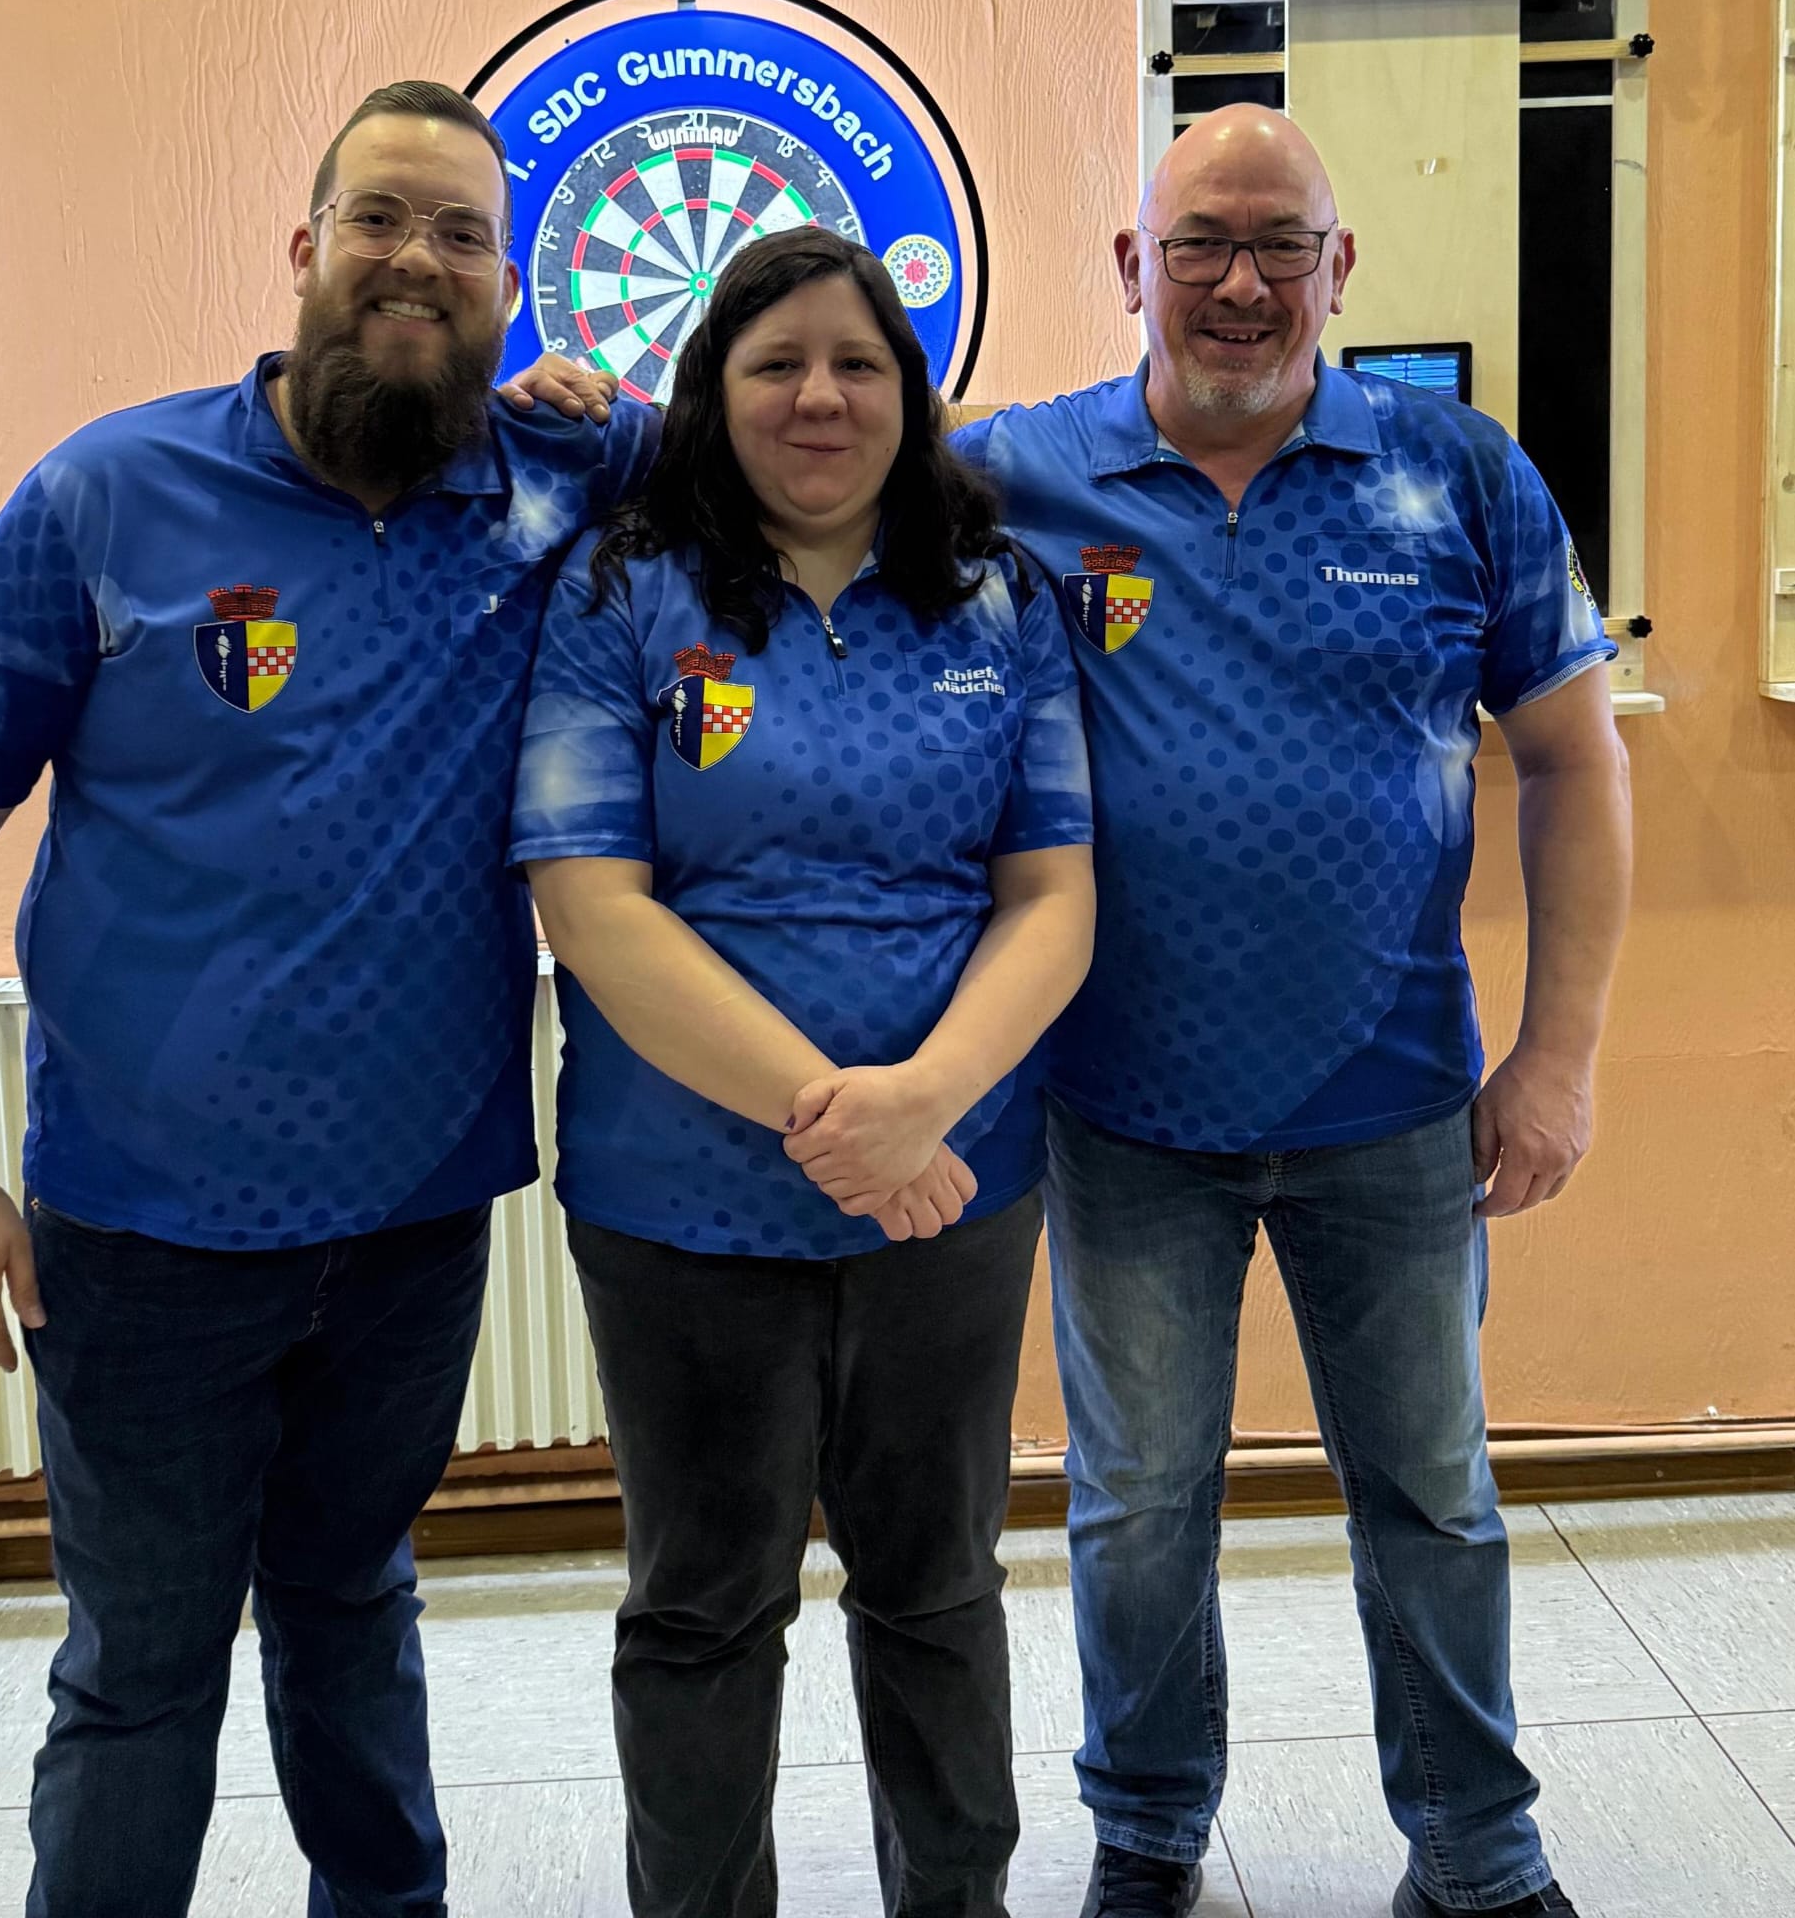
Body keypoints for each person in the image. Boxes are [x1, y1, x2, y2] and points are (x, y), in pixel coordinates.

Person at [0, 79, 652, 1918]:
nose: (416, 260)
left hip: (415, 1217)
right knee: (142, 1668)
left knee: (354, 1604)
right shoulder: (106, 494)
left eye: (463, 235)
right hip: (140, 1231)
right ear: (303, 247)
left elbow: (814, 438)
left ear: (510, 290)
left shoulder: (552, 486)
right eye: (380, 217)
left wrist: (621, 411)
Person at [945, 107, 1631, 1918]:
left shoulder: (1455, 472)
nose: (1238, 284)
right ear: (1131, 265)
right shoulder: (1011, 475)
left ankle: (1475, 1858)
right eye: (1199, 243)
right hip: (1120, 1108)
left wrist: (1554, 1060)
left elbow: (1573, 761)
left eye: (1277, 245)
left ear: (1339, 267)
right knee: (1135, 1505)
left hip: (1394, 1106)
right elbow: (788, 453)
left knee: (1431, 1497)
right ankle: (1147, 1838)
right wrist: (581, 419)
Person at [507, 226, 1097, 1918]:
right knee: (702, 1605)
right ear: (715, 393)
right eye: (775, 363)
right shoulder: (619, 590)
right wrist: (839, 1121)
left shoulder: (996, 593)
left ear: (908, 391)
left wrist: (923, 1105)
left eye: (856, 362)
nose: (818, 396)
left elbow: (1053, 897)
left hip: (951, 1190)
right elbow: (590, 904)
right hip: (680, 1200)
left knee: (934, 1589)